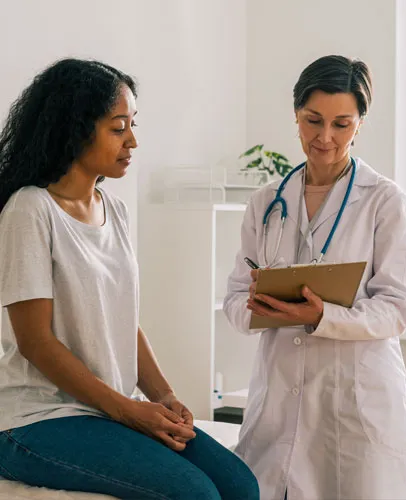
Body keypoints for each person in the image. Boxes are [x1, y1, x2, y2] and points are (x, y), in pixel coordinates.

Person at [0, 58, 259, 500]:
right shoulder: (30, 210)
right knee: (195, 494)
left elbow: (124, 321)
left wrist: (162, 396)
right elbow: (35, 343)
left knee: (241, 485)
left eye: (132, 125)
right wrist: (127, 412)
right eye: (118, 127)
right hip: (36, 419)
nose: (133, 140)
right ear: (76, 129)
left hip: (103, 412)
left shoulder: (113, 209)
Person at [224, 55, 406, 500]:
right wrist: (255, 307)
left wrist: (322, 316)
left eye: (342, 124)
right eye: (313, 120)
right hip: (279, 400)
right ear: (296, 114)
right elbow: (236, 297)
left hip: (356, 400)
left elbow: (398, 306)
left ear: (360, 124)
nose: (324, 137)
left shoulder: (385, 201)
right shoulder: (266, 202)